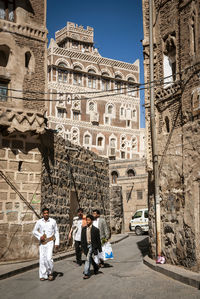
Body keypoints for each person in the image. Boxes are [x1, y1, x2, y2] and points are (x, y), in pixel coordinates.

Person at [32, 207, 59, 281]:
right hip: (42, 243)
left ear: (49, 213)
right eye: (45, 213)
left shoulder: (53, 221)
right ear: (42, 214)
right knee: (42, 259)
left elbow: (56, 232)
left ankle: (50, 273)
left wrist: (57, 243)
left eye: (47, 213)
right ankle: (43, 275)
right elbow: (34, 231)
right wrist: (40, 236)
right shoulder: (39, 222)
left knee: (48, 258)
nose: (46, 214)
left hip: (50, 242)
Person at [81, 214, 102, 279]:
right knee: (90, 258)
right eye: (86, 220)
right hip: (86, 246)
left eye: (89, 220)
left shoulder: (95, 230)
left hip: (92, 246)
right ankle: (96, 267)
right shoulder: (84, 229)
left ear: (92, 221)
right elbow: (82, 239)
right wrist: (82, 248)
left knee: (87, 258)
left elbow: (98, 240)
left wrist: (99, 249)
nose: (87, 221)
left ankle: (86, 273)